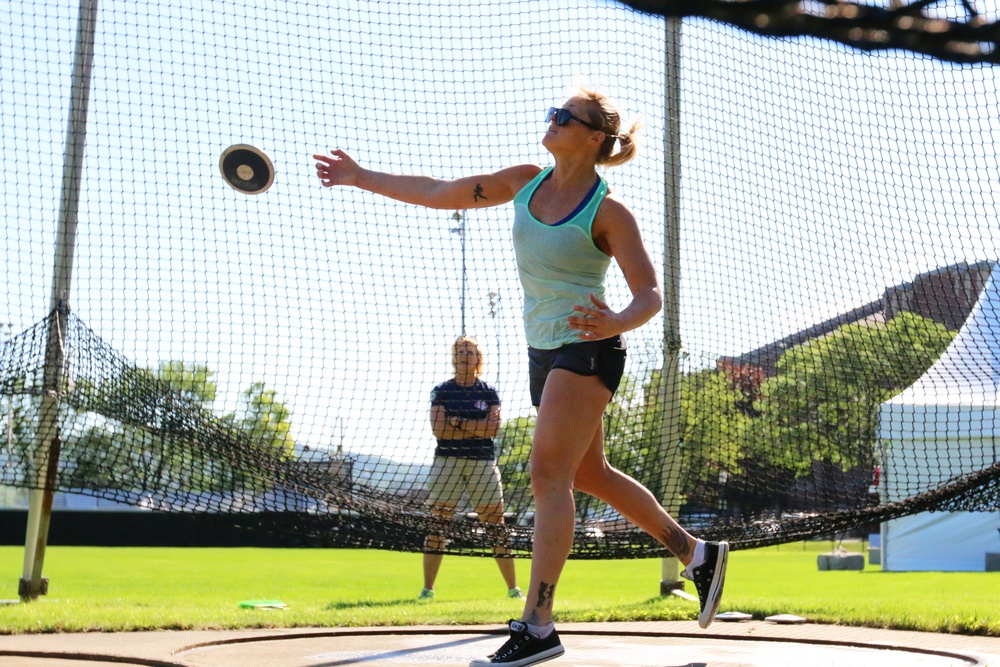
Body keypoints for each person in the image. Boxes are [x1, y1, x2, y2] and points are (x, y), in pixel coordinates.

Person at [314, 86, 729, 667]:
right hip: (544, 353)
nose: (552, 121)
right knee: (591, 473)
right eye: (551, 113)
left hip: (588, 348)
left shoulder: (608, 212)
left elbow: (650, 294)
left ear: (592, 137)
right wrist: (361, 177)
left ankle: (539, 623)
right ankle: (698, 554)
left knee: (547, 473)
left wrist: (616, 318)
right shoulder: (523, 180)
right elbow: (439, 191)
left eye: (565, 117)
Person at [420, 335, 522, 601]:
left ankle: (513, 589)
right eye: (460, 351)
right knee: (438, 523)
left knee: (495, 524)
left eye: (470, 352)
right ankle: (427, 590)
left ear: (479, 359)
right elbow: (439, 431)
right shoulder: (442, 391)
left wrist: (457, 422)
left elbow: (493, 429)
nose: (465, 356)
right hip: (447, 462)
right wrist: (473, 428)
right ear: (454, 358)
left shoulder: (488, 392)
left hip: (483, 463)